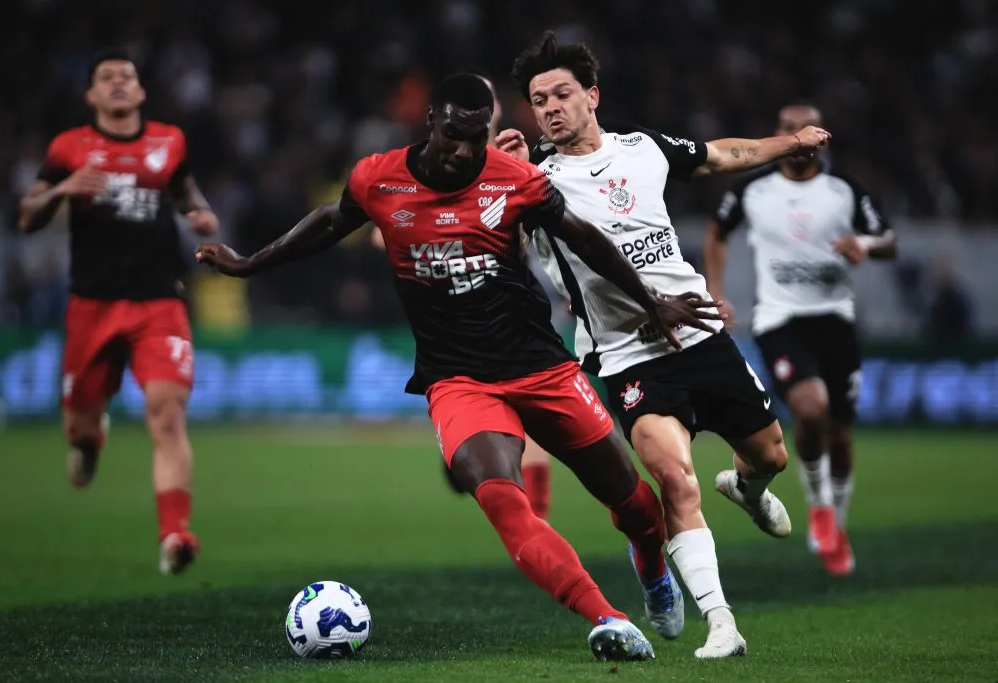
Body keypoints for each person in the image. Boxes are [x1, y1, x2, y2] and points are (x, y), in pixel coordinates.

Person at [197, 72, 725, 661]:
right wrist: (249, 264)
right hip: (458, 380)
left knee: (637, 508)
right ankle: (606, 618)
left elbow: (586, 237)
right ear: (431, 124)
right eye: (453, 135)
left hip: (541, 366)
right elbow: (329, 222)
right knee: (503, 499)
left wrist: (650, 299)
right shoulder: (379, 178)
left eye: (478, 137)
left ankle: (652, 570)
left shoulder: (517, 180)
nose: (464, 151)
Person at [505, 32, 831, 658]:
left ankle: (746, 488)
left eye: (561, 93)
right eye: (538, 99)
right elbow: (492, 231)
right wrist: (499, 168)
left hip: (700, 334)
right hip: (627, 355)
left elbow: (720, 155)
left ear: (592, 96)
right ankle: (722, 623)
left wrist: (789, 143)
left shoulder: (643, 149)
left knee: (771, 458)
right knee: (677, 482)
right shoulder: (533, 181)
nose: (549, 107)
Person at [17, 47, 218, 575]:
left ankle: (175, 534)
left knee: (168, 416)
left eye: (127, 76)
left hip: (160, 302)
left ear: (142, 90)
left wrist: (197, 213)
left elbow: (183, 190)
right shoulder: (69, 148)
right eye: (107, 78)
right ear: (91, 95)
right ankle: (88, 441)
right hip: (93, 304)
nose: (118, 84)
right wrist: (62, 189)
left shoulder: (169, 141)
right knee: (81, 424)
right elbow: (26, 218)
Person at [704, 102, 896, 576]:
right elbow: (717, 232)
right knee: (811, 410)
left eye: (804, 128)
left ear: (821, 134)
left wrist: (864, 246)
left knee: (839, 429)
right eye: (787, 129)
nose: (797, 135)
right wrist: (716, 290)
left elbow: (887, 239)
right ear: (779, 134)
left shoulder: (843, 190)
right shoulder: (752, 188)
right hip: (779, 319)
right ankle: (820, 506)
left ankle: (837, 521)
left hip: (834, 318)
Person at [370, 74, 557, 519]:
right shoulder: (433, 165)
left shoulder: (511, 162)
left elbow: (541, 229)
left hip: (511, 306)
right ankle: (484, 459)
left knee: (530, 423)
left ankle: (537, 525)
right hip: (451, 319)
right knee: (483, 439)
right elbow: (384, 233)